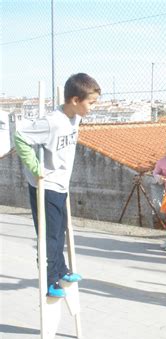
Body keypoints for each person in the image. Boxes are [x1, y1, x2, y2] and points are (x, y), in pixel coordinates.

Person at [15, 73, 101, 297]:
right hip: (46, 185)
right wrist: (35, 168)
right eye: (91, 103)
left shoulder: (75, 117)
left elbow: (67, 111)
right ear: (75, 100)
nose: (93, 108)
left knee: (60, 229)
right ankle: (49, 279)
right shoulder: (52, 122)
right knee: (49, 235)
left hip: (61, 185)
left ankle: (60, 270)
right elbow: (21, 137)